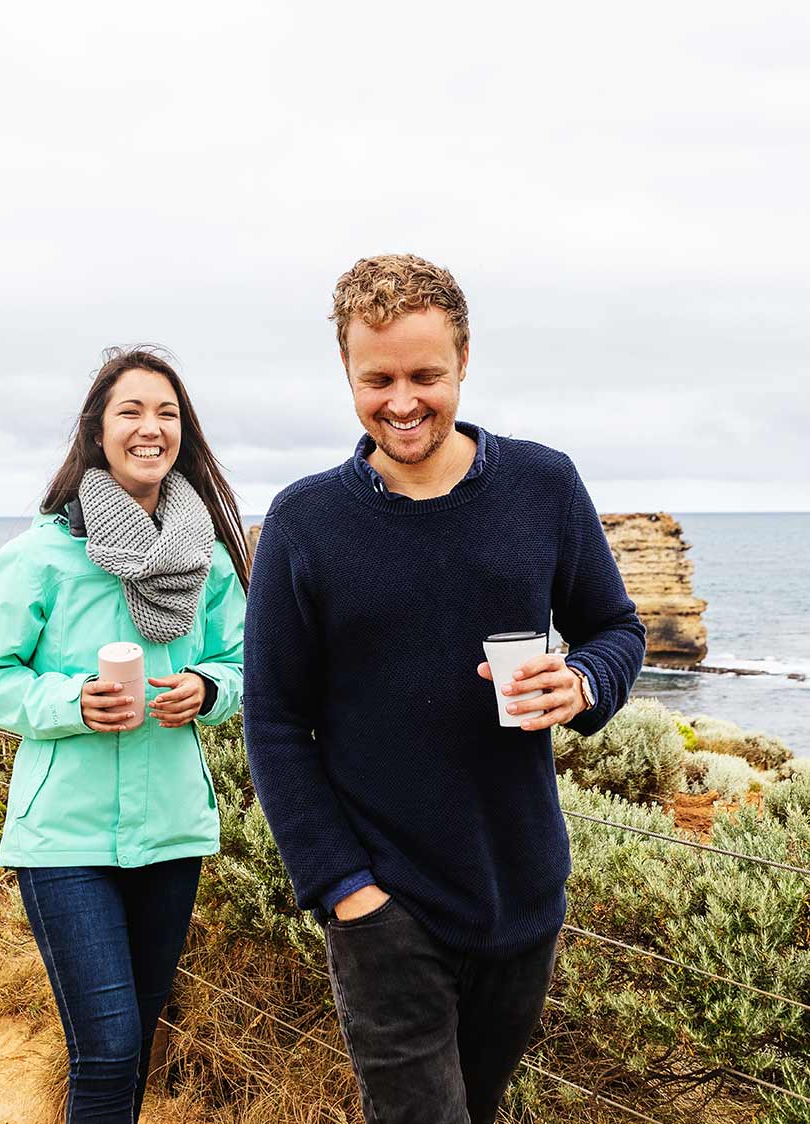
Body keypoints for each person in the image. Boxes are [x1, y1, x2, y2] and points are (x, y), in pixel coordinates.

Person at [243, 255, 645, 1124]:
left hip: (525, 893)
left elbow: (618, 630)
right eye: (376, 378)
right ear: (346, 373)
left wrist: (581, 683)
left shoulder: (544, 486)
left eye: (425, 375)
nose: (401, 400)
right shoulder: (305, 523)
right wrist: (348, 893)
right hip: (383, 910)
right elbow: (274, 723)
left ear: (464, 361)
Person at [0, 346, 248, 1124]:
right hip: (63, 840)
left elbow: (241, 662)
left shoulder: (208, 556)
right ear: (97, 430)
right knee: (108, 1049)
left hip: (173, 831)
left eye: (167, 413)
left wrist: (208, 689)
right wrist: (68, 701)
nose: (151, 428)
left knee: (136, 1047)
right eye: (131, 411)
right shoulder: (40, 556)